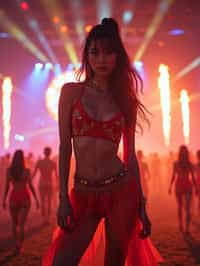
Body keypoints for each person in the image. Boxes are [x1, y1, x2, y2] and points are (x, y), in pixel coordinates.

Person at [42, 18, 163, 266]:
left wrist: (142, 205)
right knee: (62, 261)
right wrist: (63, 198)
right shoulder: (70, 92)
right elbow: (65, 148)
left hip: (121, 192)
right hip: (84, 193)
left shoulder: (124, 100)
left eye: (109, 52)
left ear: (117, 57)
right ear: (87, 55)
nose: (102, 59)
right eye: (95, 52)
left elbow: (130, 157)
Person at [2, 150, 39, 253]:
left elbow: (6, 186)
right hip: (24, 197)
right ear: (23, 158)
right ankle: (20, 245)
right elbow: (30, 186)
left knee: (14, 223)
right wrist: (36, 199)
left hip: (13, 197)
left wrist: (4, 200)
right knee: (21, 224)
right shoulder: (26, 171)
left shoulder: (9, 170)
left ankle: (16, 245)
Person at [168, 145, 197, 233]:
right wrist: (170, 186)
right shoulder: (176, 163)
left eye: (185, 151)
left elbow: (192, 177)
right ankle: (181, 224)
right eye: (182, 151)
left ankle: (187, 228)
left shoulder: (190, 164)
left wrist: (196, 188)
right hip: (179, 185)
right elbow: (173, 175)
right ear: (180, 152)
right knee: (180, 207)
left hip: (187, 185)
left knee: (187, 208)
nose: (184, 153)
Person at [32, 147, 58, 222]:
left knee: (42, 201)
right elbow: (56, 176)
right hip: (49, 183)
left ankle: (44, 218)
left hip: (42, 183)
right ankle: (48, 218)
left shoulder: (40, 162)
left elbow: (34, 174)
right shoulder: (53, 163)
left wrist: (29, 181)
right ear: (50, 153)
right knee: (49, 201)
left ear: (44, 153)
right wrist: (57, 185)